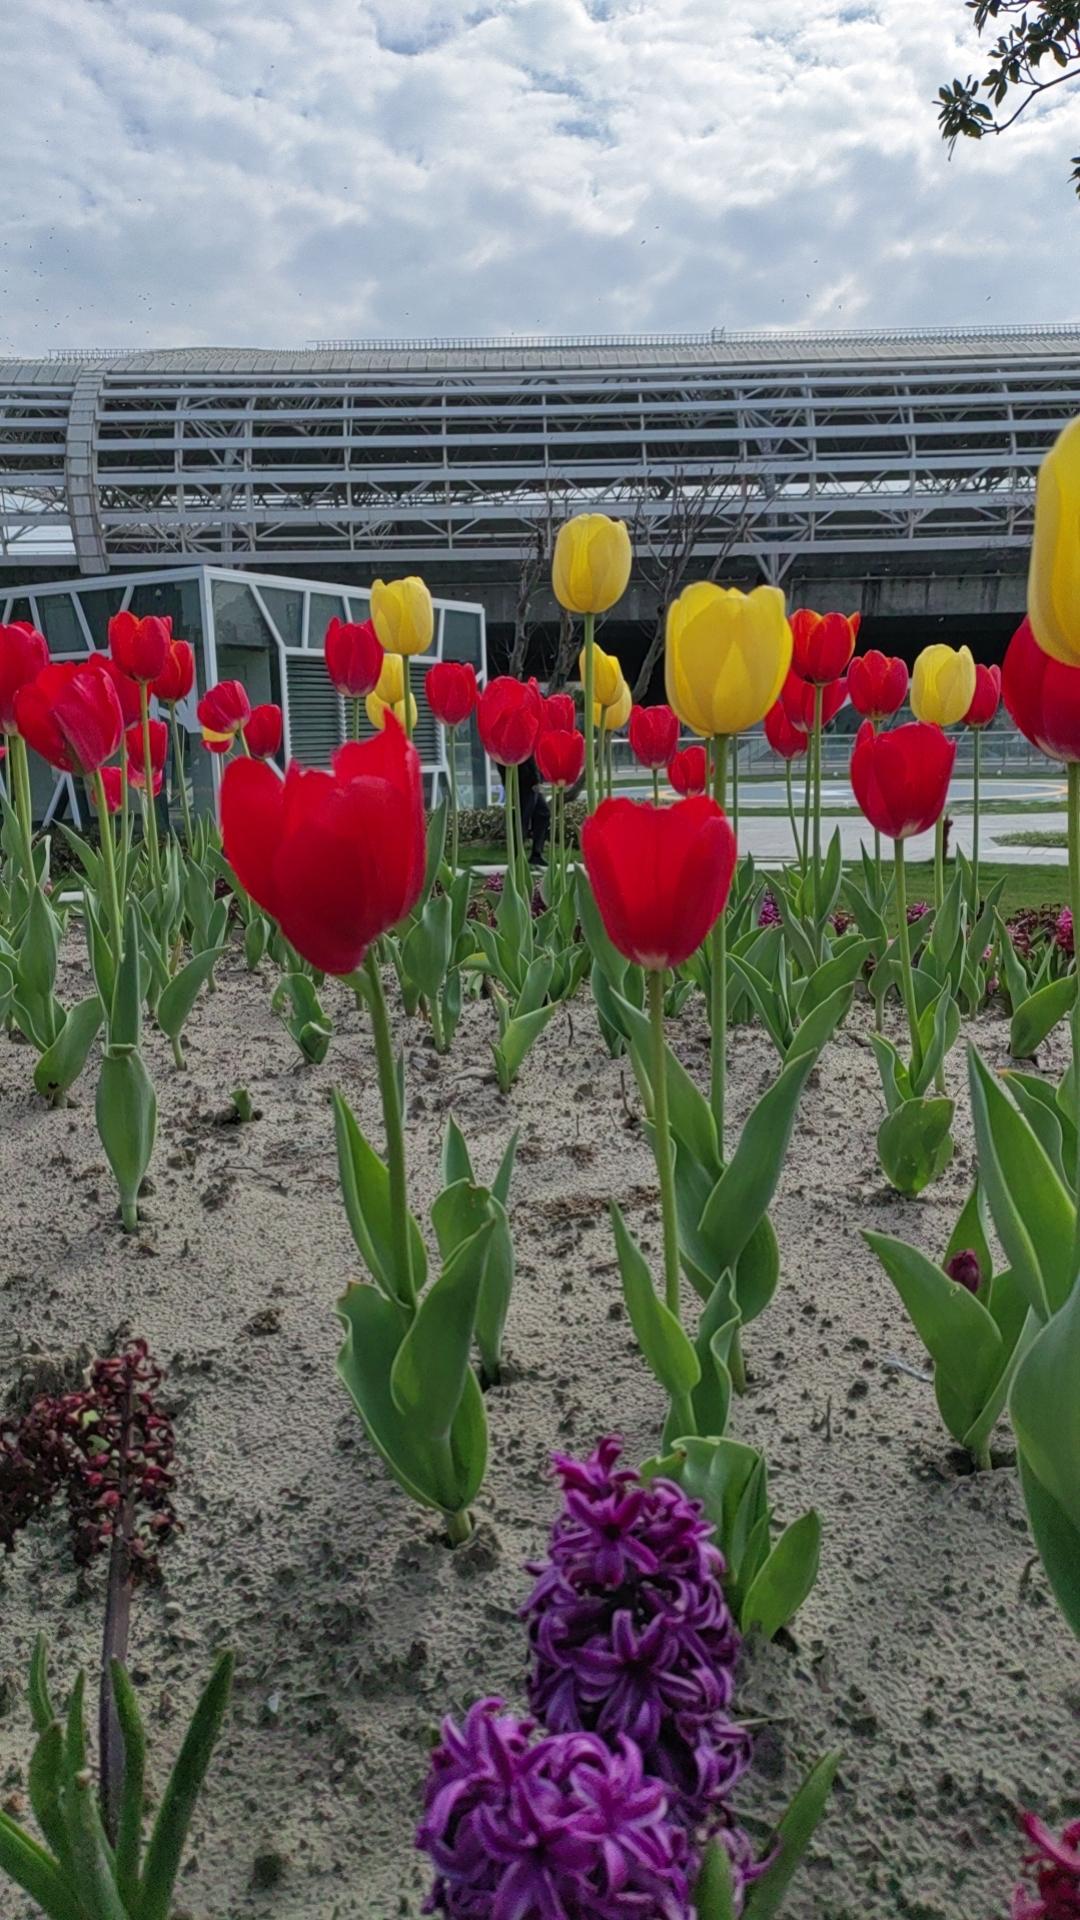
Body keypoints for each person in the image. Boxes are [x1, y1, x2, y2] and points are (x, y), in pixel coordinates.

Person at [498, 756, 550, 862]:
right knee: (522, 818)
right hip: (524, 781)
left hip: (530, 781)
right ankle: (517, 856)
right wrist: (536, 780)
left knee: (543, 813)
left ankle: (536, 854)